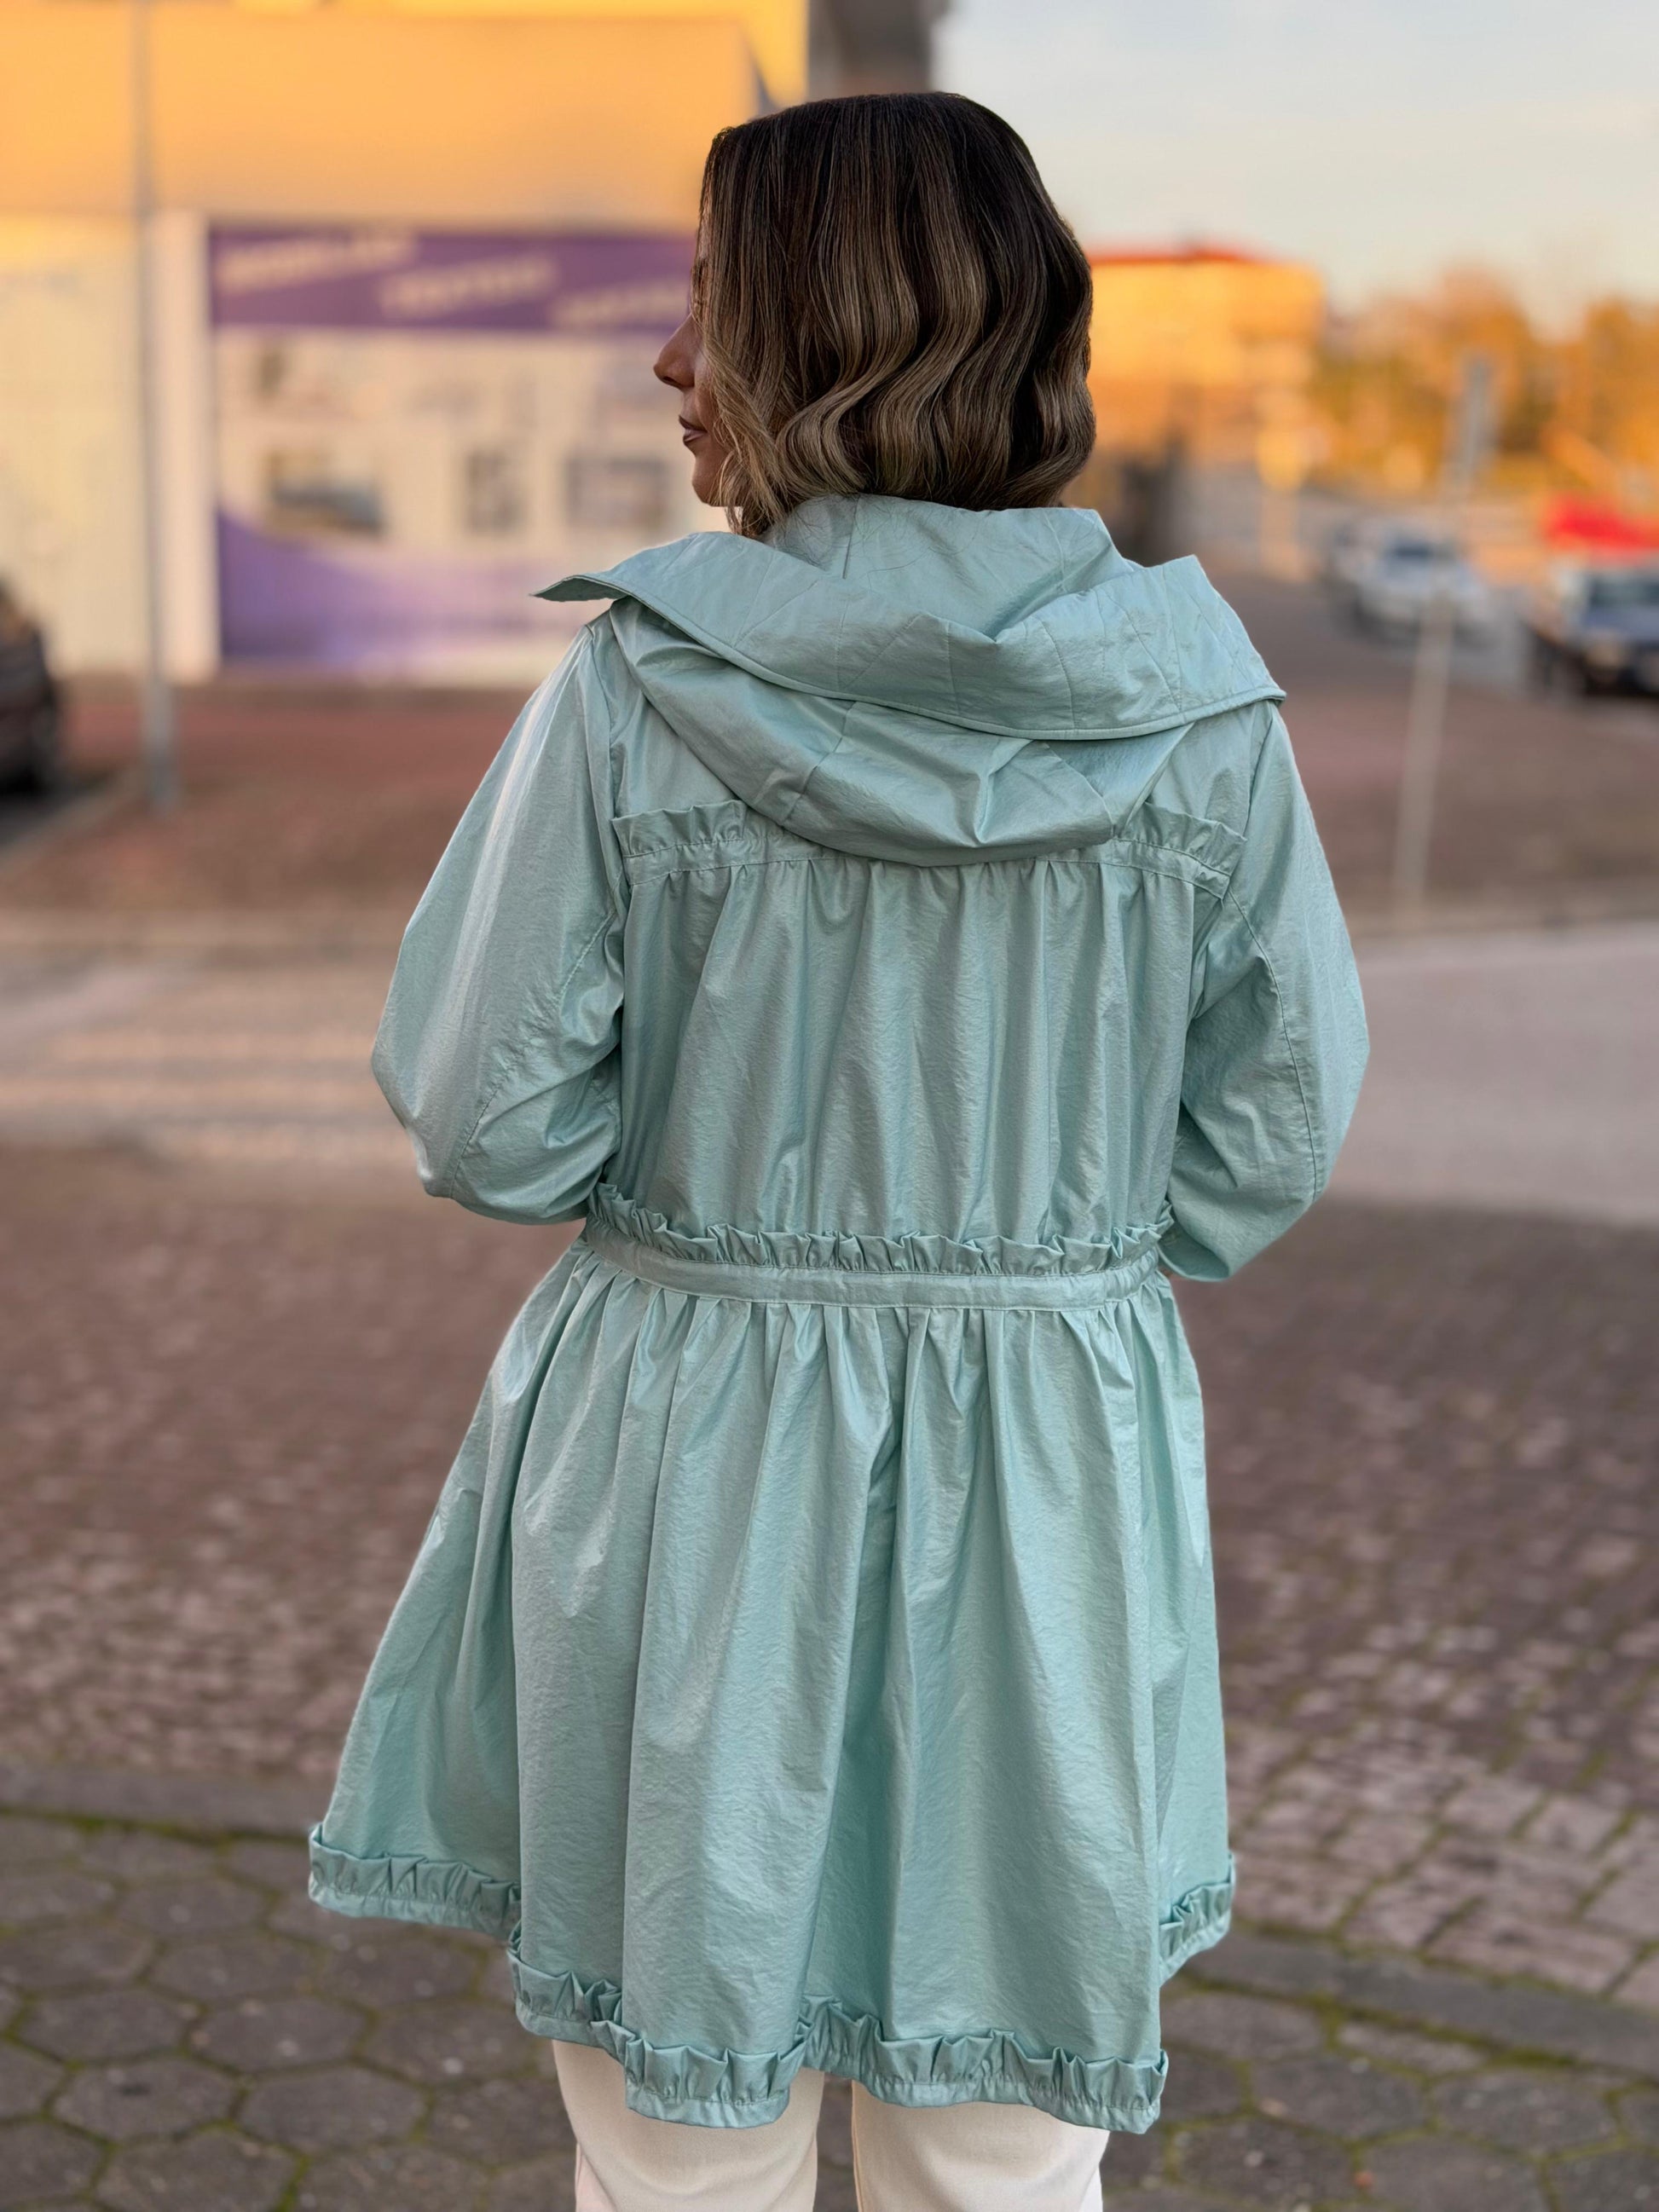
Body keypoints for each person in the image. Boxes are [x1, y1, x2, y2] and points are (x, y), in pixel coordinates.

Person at [309, 91, 1367, 2212]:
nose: (669, 359)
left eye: (709, 301)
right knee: (1002, 2145)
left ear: (821, 334)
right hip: (1044, 1450)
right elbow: (1271, 1130)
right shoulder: (1200, 705)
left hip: (696, 1443)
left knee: (677, 2137)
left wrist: (710, 1192)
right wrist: (1049, 1241)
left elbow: (488, 1116)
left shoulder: (637, 686)